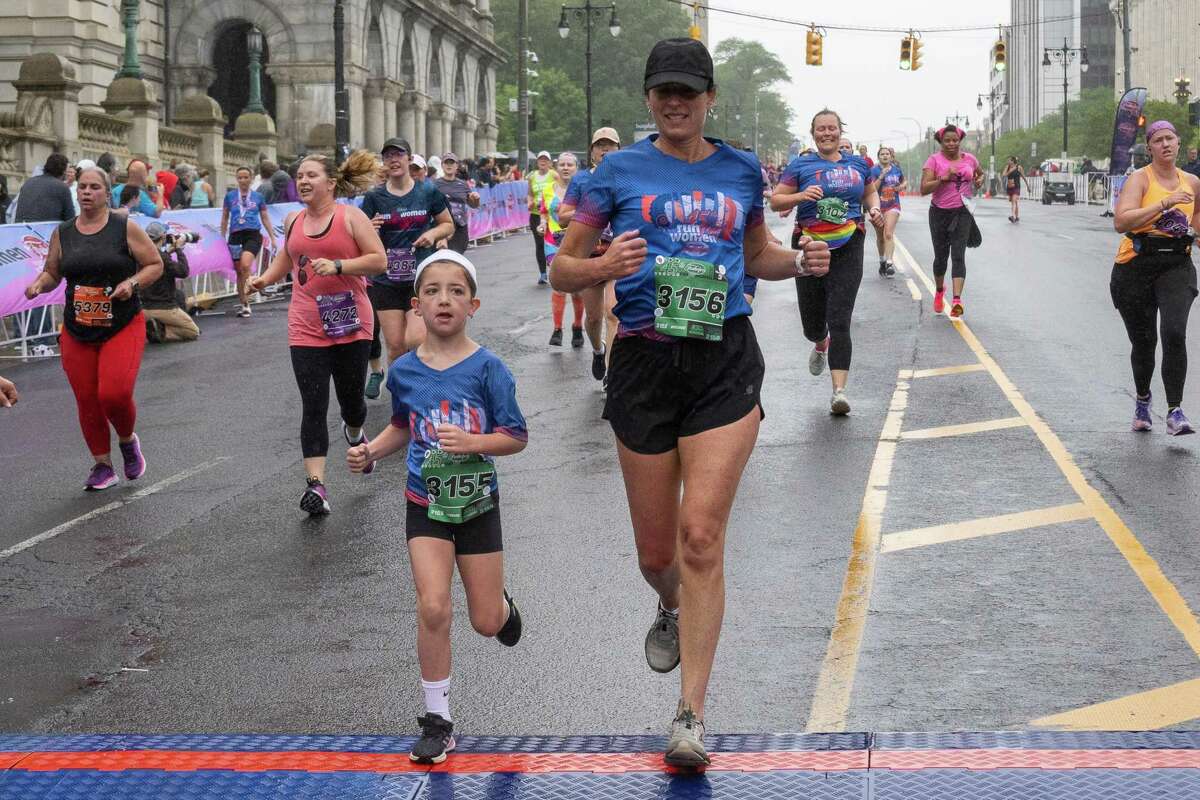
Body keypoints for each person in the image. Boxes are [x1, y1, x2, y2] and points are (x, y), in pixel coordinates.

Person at [551, 37, 830, 767]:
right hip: (643, 360)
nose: (676, 103)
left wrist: (798, 261)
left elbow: (757, 257)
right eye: (663, 91)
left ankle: (691, 716)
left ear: (709, 98)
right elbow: (562, 265)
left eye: (689, 91)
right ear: (649, 99)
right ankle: (668, 604)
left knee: (700, 535)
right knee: (657, 553)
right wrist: (603, 264)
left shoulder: (741, 170)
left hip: (722, 359)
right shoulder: (613, 173)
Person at [346, 250, 526, 765]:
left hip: (476, 505)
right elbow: (403, 425)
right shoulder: (404, 371)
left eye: (455, 290)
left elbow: (515, 437)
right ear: (416, 305)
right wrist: (371, 452)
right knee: (432, 605)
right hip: (424, 502)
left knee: (485, 622)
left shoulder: (490, 369)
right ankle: (436, 720)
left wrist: (474, 443)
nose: (443, 299)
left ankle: (503, 608)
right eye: (432, 291)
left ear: (473, 304)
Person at [248, 151, 387, 514]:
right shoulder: (294, 219)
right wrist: (265, 278)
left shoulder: (351, 217)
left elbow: (378, 260)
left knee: (351, 401)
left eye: (311, 175)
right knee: (313, 404)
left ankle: (355, 433)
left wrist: (340, 264)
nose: (303, 181)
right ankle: (316, 486)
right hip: (306, 324)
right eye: (299, 176)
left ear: (330, 182)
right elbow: (287, 259)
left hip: (351, 322)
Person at [23, 165, 163, 490]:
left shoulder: (124, 226)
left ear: (106, 191)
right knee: (87, 398)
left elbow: (154, 264)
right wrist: (38, 285)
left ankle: (127, 441)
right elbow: (52, 272)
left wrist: (131, 282)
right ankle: (102, 465)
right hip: (77, 328)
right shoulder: (64, 232)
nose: (86, 192)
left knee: (113, 393)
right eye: (82, 187)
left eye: (94, 187)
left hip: (121, 323)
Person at [771, 109, 883, 415]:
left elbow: (871, 194)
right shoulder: (800, 165)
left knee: (840, 318)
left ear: (839, 131)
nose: (826, 133)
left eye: (831, 128)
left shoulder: (858, 164)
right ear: (813, 133)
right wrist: (802, 196)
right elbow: (776, 200)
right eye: (821, 129)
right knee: (813, 322)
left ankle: (839, 392)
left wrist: (873, 210)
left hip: (850, 242)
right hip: (809, 245)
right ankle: (819, 343)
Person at [1111, 120, 1199, 436]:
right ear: (1149, 147)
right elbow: (1121, 221)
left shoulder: (1192, 181)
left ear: (1178, 143)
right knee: (1145, 342)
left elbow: (1197, 223)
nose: (1165, 144)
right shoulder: (1140, 179)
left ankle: (1175, 411)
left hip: (1176, 265)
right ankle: (1143, 399)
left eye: (1170, 138)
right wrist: (1164, 203)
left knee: (1175, 333)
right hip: (1136, 265)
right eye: (1158, 140)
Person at [361, 138, 455, 400]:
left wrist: (433, 234)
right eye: (388, 155)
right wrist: (370, 228)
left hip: (420, 277)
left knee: (416, 338)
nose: (393, 159)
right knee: (395, 346)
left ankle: (424, 389)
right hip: (386, 279)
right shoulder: (374, 197)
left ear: (409, 158)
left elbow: (448, 225)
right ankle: (403, 402)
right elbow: (360, 236)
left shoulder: (427, 191)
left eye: (398, 154)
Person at [559, 127, 622, 383]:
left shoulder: (626, 178)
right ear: (592, 151)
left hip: (617, 252)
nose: (605, 150)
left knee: (613, 312)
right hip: (590, 255)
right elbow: (563, 216)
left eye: (610, 145)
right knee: (594, 318)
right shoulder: (582, 180)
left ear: (619, 150)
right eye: (599, 146)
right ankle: (598, 350)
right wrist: (591, 214)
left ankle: (612, 372)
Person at [920, 125, 984, 319]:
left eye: (955, 140)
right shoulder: (934, 161)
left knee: (958, 255)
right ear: (941, 142)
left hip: (962, 212)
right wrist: (942, 178)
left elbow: (980, 174)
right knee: (941, 258)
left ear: (959, 140)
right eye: (947, 140)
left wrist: (979, 181)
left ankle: (956, 301)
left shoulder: (970, 159)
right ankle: (940, 291)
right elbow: (924, 189)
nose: (951, 143)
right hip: (939, 213)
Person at [538, 152, 585, 347]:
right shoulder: (548, 189)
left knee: (576, 289)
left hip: (575, 242)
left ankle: (577, 327)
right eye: (562, 164)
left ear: (576, 168)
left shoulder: (584, 190)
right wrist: (541, 224)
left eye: (570, 165)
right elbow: (543, 212)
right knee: (558, 283)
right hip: (552, 242)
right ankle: (557, 330)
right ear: (557, 168)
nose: (565, 168)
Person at [220, 166, 277, 318]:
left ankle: (251, 290)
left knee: (246, 265)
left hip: (252, 235)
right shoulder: (230, 196)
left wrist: (272, 237)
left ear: (251, 179)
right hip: (235, 236)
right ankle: (244, 304)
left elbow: (264, 217)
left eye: (246, 177)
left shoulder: (258, 197)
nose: (243, 180)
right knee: (239, 271)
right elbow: (225, 217)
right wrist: (221, 235)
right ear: (236, 179)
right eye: (240, 178)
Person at [141, 222, 201, 343]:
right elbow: (183, 271)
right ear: (163, 237)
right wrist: (179, 249)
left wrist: (168, 252)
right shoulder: (163, 258)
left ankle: (153, 326)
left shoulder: (141, 254)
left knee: (178, 295)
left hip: (143, 309)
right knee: (193, 332)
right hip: (164, 308)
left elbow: (160, 262)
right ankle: (162, 332)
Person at [434, 153, 481, 254]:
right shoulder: (435, 184)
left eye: (452, 163)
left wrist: (476, 199)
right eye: (446, 163)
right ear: (442, 165)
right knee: (443, 259)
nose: (449, 165)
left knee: (457, 257)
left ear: (457, 166)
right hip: (442, 227)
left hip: (460, 228)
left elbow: (473, 205)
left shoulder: (463, 184)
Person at [870, 146, 905, 277]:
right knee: (880, 237)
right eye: (882, 154)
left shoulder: (896, 169)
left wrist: (902, 186)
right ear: (878, 157)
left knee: (888, 234)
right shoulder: (873, 170)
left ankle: (890, 262)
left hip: (893, 205)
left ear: (891, 156)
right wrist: (881, 176)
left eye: (887, 154)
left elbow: (903, 181)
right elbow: (872, 189)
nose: (885, 156)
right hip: (878, 206)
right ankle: (882, 261)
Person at [14, 153, 75, 223]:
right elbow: (70, 221)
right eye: (67, 171)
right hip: (47, 232)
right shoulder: (62, 187)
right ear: (63, 171)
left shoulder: (28, 182)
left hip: (23, 231)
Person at [527, 151, 554, 285]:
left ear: (549, 163)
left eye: (545, 160)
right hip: (536, 215)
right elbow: (530, 194)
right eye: (540, 160)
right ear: (537, 162)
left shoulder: (554, 175)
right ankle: (543, 273)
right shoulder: (532, 177)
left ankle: (555, 270)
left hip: (552, 215)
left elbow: (560, 189)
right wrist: (530, 202)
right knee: (540, 244)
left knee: (554, 243)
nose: (543, 162)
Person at [1001, 156, 1029, 223]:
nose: (1008, 161)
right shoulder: (1007, 167)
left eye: (1009, 160)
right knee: (1014, 202)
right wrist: (1009, 171)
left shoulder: (1019, 167)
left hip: (1016, 186)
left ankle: (1013, 216)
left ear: (1013, 161)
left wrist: (1028, 186)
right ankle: (1017, 217)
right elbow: (1003, 175)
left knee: (1014, 201)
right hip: (1010, 187)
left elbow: (1023, 177)